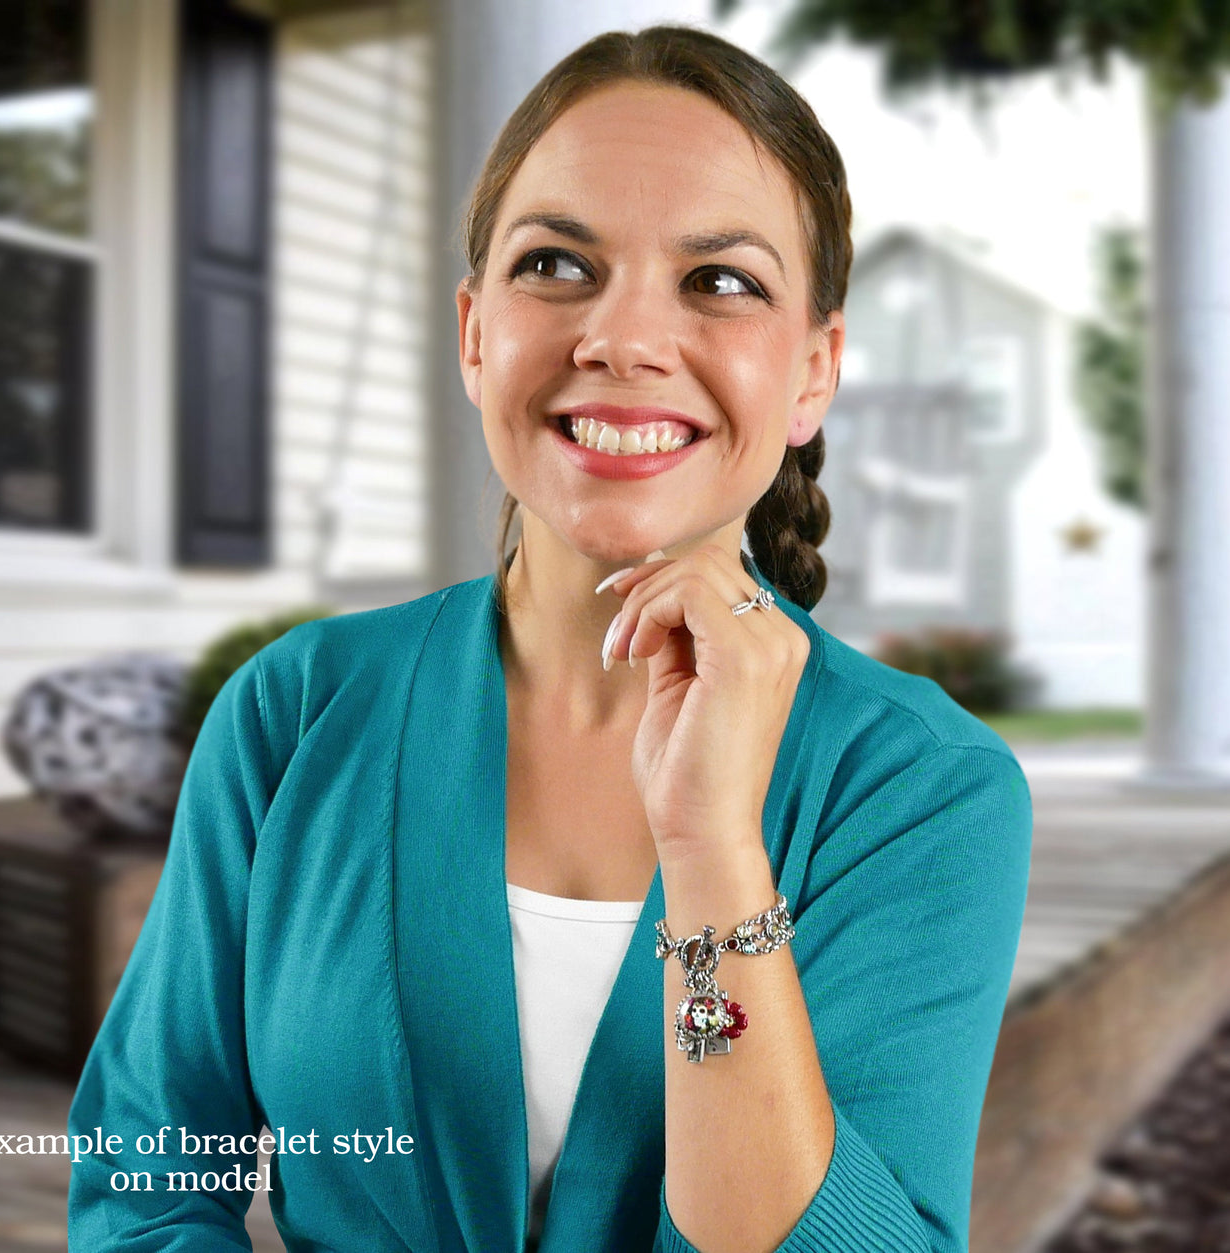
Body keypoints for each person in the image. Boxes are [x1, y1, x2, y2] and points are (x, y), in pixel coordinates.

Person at [68, 24, 1031, 1253]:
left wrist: (712, 846)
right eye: (557, 264)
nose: (621, 340)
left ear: (811, 371)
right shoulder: (293, 711)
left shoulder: (924, 792)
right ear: (475, 333)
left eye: (718, 280)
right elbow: (145, 1175)